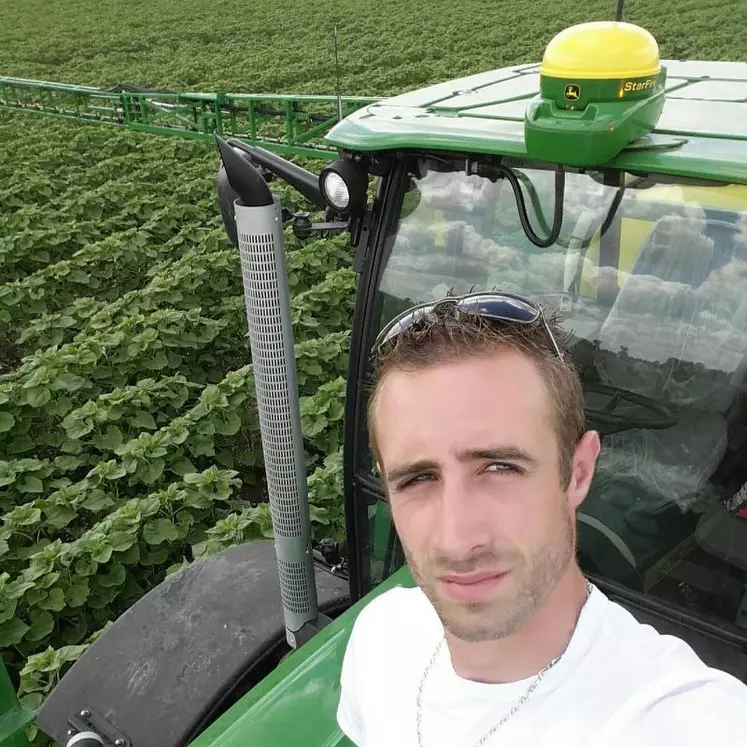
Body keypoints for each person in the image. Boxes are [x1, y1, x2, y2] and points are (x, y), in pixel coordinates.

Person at [335, 291, 747, 747]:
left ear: (579, 472)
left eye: (499, 468)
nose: (456, 539)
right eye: (417, 479)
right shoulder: (379, 640)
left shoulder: (689, 720)